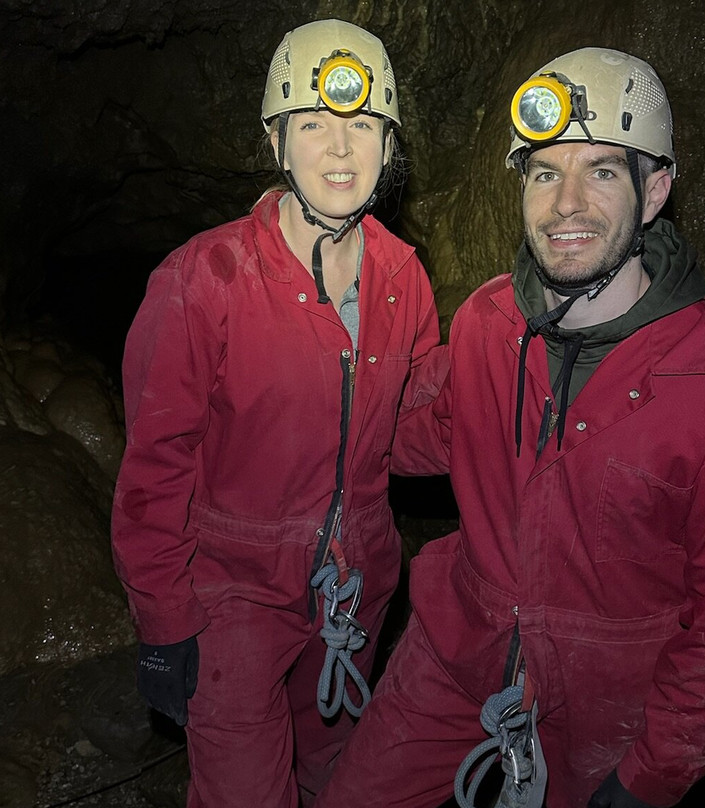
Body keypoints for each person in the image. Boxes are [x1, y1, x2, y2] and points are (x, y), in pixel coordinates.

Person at [315, 47, 705, 808]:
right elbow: (410, 435)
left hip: (608, 705)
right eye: (545, 173)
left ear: (656, 189)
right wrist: (314, 364)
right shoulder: (487, 324)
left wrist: (653, 774)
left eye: (602, 171)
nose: (566, 204)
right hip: (458, 653)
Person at [110, 19, 443, 807]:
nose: (338, 148)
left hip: (355, 588)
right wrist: (164, 623)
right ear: (276, 143)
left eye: (361, 125)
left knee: (333, 773)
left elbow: (412, 435)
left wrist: (516, 377)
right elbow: (154, 473)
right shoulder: (204, 281)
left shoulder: (404, 278)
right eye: (314, 125)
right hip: (233, 598)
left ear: (388, 147)